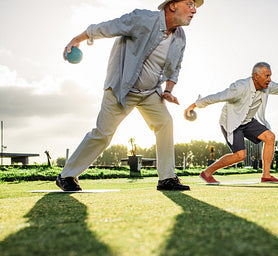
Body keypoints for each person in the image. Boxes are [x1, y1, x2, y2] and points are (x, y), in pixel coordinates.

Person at [56, 0, 204, 192]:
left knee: (165, 123)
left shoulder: (181, 37)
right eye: (190, 4)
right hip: (122, 88)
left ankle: (167, 178)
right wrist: (79, 38)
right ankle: (66, 175)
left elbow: (176, 66)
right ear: (173, 5)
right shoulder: (142, 19)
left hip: (150, 92)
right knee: (103, 134)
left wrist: (168, 90)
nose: (194, 10)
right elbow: (109, 27)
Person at [185, 62, 278, 185]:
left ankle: (266, 175)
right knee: (240, 155)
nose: (269, 79)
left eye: (270, 76)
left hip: (248, 121)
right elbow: (217, 97)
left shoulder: (267, 86)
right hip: (232, 121)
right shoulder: (239, 87)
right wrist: (193, 106)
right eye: (267, 76)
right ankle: (207, 172)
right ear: (256, 76)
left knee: (270, 137)